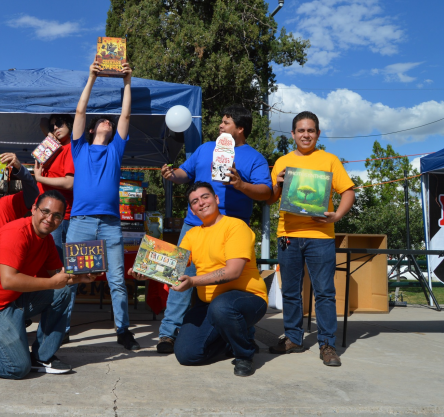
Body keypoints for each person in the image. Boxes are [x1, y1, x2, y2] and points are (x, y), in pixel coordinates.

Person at [0, 190, 96, 378]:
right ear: (34, 209)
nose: (50, 219)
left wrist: (81, 278)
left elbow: (58, 277)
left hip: (11, 300)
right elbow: (9, 280)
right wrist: (52, 282)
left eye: (57, 216)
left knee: (63, 291)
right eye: (45, 212)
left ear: (62, 220)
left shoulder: (46, 240)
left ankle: (42, 357)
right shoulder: (16, 233)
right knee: (17, 367)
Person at [156, 105, 272, 353]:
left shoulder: (255, 158)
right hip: (194, 226)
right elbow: (184, 173)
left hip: (231, 227)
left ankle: (243, 335)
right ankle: (168, 332)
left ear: (240, 129)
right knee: (177, 274)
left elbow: (266, 192)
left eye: (226, 122)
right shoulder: (205, 148)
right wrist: (172, 174)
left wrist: (241, 184)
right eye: (221, 121)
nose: (220, 125)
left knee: (235, 282)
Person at [130, 182, 268, 376]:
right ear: (192, 211)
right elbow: (173, 267)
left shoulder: (236, 226)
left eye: (205, 197)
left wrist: (193, 282)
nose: (201, 203)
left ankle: (244, 354)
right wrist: (147, 272)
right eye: (194, 201)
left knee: (222, 307)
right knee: (186, 354)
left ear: (216, 199)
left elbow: (233, 272)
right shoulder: (192, 234)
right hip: (209, 305)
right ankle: (230, 340)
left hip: (247, 298)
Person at [266, 111, 355, 367]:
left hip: (321, 236)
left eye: (311, 130)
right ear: (293, 134)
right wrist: (278, 184)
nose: (306, 135)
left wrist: (337, 215)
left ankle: (327, 344)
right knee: (290, 291)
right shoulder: (282, 161)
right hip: (288, 236)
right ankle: (293, 338)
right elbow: (271, 198)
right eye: (301, 130)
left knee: (325, 292)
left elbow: (348, 191)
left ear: (318, 133)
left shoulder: (329, 160)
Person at [63, 60, 139, 350]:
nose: (109, 122)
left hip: (109, 224)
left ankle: (123, 330)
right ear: (93, 129)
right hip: (80, 222)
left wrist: (127, 81)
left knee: (117, 280)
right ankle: (62, 328)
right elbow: (80, 112)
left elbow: (126, 113)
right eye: (103, 121)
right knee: (72, 278)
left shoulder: (115, 150)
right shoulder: (79, 147)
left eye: (110, 121)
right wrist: (92, 77)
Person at [34, 114, 75, 261]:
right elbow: (42, 121)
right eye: (53, 126)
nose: (56, 127)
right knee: (45, 258)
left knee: (56, 261)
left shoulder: (71, 148)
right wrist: (50, 134)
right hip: (44, 210)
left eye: (59, 123)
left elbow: (70, 183)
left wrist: (39, 178)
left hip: (58, 215)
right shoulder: (55, 145)